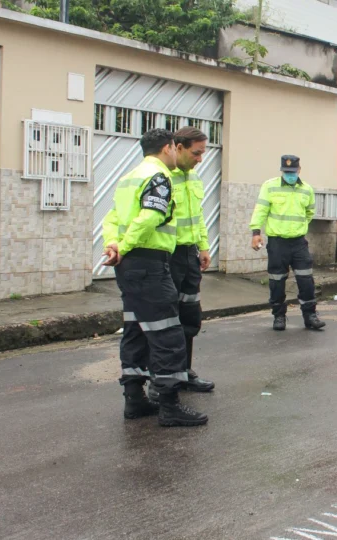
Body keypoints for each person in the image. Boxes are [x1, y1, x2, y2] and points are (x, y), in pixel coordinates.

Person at [102, 128, 208, 427]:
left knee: (135, 328)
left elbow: (111, 218)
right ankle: (169, 405)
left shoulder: (129, 177)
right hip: (149, 262)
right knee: (167, 333)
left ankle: (134, 400)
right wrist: (124, 246)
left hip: (130, 266)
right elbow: (150, 216)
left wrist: (113, 245)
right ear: (169, 148)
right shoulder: (159, 176)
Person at [164, 127, 215, 393]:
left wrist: (203, 247)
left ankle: (184, 371)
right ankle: (165, 377)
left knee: (189, 315)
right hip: (167, 255)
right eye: (196, 153)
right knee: (166, 319)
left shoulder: (193, 177)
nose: (200, 159)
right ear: (179, 147)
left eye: (202, 153)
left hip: (189, 255)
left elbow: (198, 216)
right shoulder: (162, 177)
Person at [250, 155, 325, 332]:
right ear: (282, 171)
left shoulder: (306, 189)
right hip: (277, 242)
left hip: (299, 242)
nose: (290, 175)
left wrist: (299, 227)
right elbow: (261, 210)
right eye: (286, 172)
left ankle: (310, 316)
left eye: (292, 172)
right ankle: (279, 316)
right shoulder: (270, 186)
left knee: (306, 279)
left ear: (299, 170)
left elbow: (309, 212)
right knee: (277, 280)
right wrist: (256, 233)